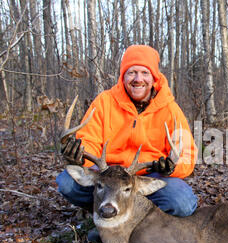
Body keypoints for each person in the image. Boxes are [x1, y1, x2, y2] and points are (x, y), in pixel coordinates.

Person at [56, 45, 198, 225]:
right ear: (123, 76)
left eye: (145, 73)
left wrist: (170, 167)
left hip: (145, 177)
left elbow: (187, 155)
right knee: (67, 183)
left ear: (153, 77)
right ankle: (105, 209)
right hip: (107, 175)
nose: (138, 79)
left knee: (182, 203)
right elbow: (89, 140)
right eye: (132, 72)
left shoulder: (170, 110)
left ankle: (133, 218)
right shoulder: (105, 102)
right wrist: (78, 157)